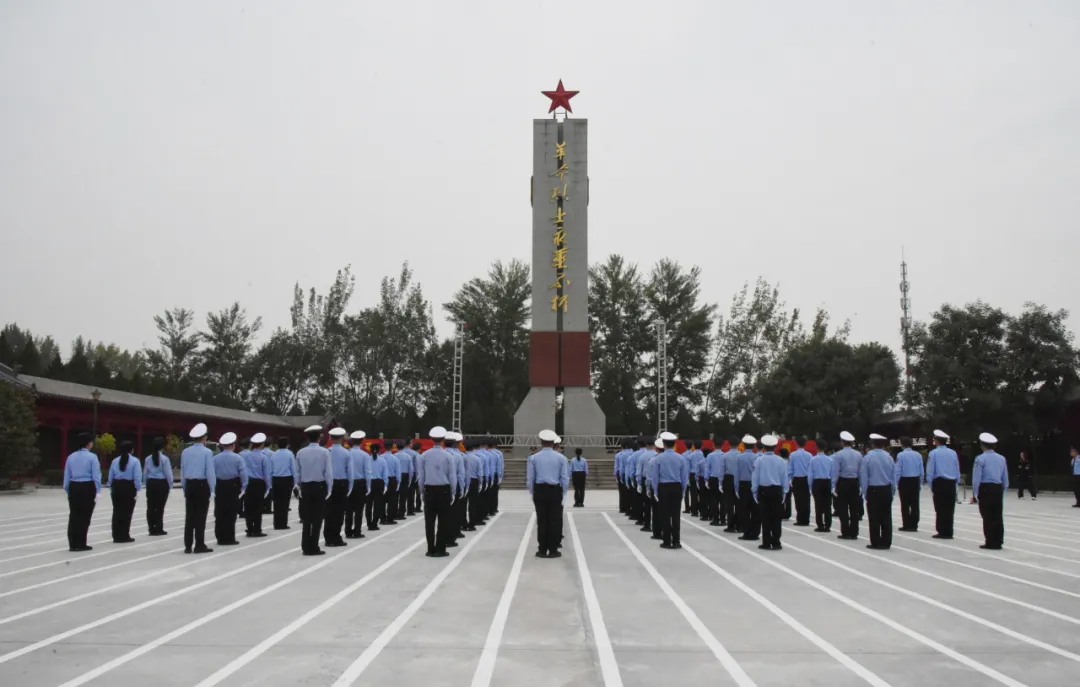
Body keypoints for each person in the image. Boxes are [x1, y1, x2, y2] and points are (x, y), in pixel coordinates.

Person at [527, 429, 570, 558]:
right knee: (554, 520)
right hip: (555, 490)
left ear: (541, 442)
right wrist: (564, 492)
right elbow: (565, 478)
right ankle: (553, 549)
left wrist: (532, 492)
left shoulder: (533, 458)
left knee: (542, 520)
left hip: (540, 489)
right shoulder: (561, 458)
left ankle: (542, 549)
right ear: (553, 442)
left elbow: (530, 478)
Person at [418, 427, 457, 557]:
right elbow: (452, 477)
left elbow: (421, 476)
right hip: (444, 490)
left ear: (431, 439)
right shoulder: (448, 456)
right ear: (443, 439)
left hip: (429, 489)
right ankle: (440, 549)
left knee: (429, 522)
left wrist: (421, 492)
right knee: (443, 521)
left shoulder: (424, 455)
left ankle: (430, 549)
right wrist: (453, 492)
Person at [296, 425, 333, 555]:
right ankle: (314, 546)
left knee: (306, 518)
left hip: (305, 486)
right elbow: (328, 472)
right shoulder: (324, 452)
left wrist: (298, 486)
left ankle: (305, 546)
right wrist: (330, 488)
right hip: (319, 486)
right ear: (319, 438)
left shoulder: (300, 452)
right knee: (317, 518)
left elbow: (297, 472)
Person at [180, 423, 216, 554]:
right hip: (202, 485)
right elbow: (210, 472)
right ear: (204, 437)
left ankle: (188, 545)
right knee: (201, 516)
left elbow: (183, 471)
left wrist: (185, 487)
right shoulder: (207, 452)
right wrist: (212, 489)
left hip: (189, 484)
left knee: (189, 516)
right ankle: (199, 544)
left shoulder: (185, 452)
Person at [63, 432, 101, 552]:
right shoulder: (92, 457)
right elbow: (96, 475)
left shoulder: (71, 457)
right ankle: (81, 543)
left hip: (74, 486)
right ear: (88, 444)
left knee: (74, 515)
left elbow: (67, 476)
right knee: (85, 516)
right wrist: (98, 490)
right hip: (87, 486)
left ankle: (72, 543)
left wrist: (68, 489)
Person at [650, 432, 688, 549]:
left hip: (663, 487)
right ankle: (676, 541)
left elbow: (655, 477)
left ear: (663, 444)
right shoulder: (681, 458)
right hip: (676, 487)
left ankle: (666, 541)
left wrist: (655, 491)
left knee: (665, 515)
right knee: (676, 515)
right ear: (674, 444)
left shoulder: (657, 459)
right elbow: (684, 477)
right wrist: (683, 490)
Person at [753, 435, 789, 551]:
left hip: (763, 490)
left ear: (763, 447)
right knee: (776, 518)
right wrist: (785, 492)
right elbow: (784, 478)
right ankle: (776, 542)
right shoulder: (781, 461)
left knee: (765, 517)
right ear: (775, 447)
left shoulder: (759, 460)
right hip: (777, 490)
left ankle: (766, 542)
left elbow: (755, 478)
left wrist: (754, 491)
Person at [972, 432, 1008, 550]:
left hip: (985, 488)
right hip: (997, 487)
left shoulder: (980, 458)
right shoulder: (1001, 458)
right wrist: (1002, 490)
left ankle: (990, 541)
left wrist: (976, 493)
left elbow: (976, 478)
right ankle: (998, 540)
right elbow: (1005, 478)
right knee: (997, 516)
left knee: (987, 516)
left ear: (982, 445)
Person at [861, 433, 895, 550]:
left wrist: (865, 492)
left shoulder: (868, 457)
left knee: (874, 517)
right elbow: (893, 477)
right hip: (886, 489)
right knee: (886, 517)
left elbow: (864, 477)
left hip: (873, 489)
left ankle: (875, 541)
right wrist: (892, 491)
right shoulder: (889, 457)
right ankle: (886, 542)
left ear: (872, 444)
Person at [213, 432, 248, 546]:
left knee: (220, 512)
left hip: (219, 485)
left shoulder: (215, 458)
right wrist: (244, 488)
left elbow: (211, 474)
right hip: (233, 485)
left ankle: (220, 537)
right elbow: (243, 475)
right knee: (231, 513)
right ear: (233, 445)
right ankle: (229, 538)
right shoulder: (238, 458)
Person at [925, 430, 960, 538]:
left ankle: (942, 530)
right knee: (950, 508)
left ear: (937, 440)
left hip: (939, 482)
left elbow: (930, 471)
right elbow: (957, 468)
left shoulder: (933, 453)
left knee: (940, 508)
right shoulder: (953, 453)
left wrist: (931, 485)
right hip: (951, 482)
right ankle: (949, 531)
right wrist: (956, 483)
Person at [108, 440, 142, 543]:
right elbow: (137, 477)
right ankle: (124, 535)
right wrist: (138, 489)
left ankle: (116, 535)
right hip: (128, 487)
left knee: (117, 511)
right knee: (127, 512)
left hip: (116, 485)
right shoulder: (135, 461)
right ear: (131, 450)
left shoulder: (115, 461)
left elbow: (110, 476)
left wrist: (111, 486)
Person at [831, 431, 863, 540]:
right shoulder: (858, 454)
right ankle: (854, 532)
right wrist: (861, 484)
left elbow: (835, 472)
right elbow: (861, 471)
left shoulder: (838, 455)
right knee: (854, 508)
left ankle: (845, 532)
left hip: (843, 482)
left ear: (842, 442)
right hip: (855, 481)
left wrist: (833, 485)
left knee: (843, 507)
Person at [325, 427, 353, 547]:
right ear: (342, 438)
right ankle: (336, 537)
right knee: (339, 512)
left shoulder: (326, 452)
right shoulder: (346, 453)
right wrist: (350, 487)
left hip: (328, 483)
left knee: (328, 511)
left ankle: (328, 538)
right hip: (341, 483)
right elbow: (350, 472)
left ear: (330, 438)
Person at [243, 432, 273, 538]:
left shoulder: (246, 456)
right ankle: (257, 529)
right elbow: (266, 474)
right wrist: (268, 486)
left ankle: (249, 529)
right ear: (262, 444)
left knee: (248, 506)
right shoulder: (263, 457)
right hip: (259, 483)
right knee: (258, 507)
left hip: (248, 482)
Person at [143, 436, 172, 536]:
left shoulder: (148, 459)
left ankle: (151, 528)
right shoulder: (164, 459)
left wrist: (146, 483)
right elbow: (168, 474)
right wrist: (169, 485)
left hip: (151, 482)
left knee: (150, 506)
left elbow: (145, 473)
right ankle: (159, 528)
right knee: (160, 507)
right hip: (161, 483)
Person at [893, 436, 924, 531]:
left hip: (904, 480)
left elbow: (898, 470)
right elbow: (921, 470)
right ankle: (914, 524)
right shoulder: (918, 455)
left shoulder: (900, 455)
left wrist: (896, 482)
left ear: (902, 444)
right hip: (915, 479)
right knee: (915, 504)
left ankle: (906, 524)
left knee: (905, 504)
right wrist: (920, 481)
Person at [346, 431, 370, 539]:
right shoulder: (365, 455)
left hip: (348, 483)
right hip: (360, 483)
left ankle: (348, 531)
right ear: (362, 441)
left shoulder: (347, 453)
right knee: (359, 509)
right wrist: (368, 486)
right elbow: (367, 472)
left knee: (349, 509)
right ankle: (357, 531)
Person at [270, 437, 297, 530]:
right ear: (287, 445)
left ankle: (276, 524)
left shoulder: (274, 454)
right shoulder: (290, 454)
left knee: (277, 502)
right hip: (286, 479)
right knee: (285, 502)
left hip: (275, 479)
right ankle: (283, 524)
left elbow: (271, 469)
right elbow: (293, 468)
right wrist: (295, 482)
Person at [737, 435, 760, 541]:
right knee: (756, 510)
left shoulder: (739, 457)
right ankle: (755, 532)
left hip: (743, 484)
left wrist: (736, 487)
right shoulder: (757, 457)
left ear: (744, 445)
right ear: (754, 446)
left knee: (744, 510)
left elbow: (737, 474)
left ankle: (746, 532)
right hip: (755, 484)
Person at [788, 437, 813, 527]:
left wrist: (789, 479)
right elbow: (811, 468)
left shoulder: (793, 455)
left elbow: (790, 469)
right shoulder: (809, 455)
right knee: (806, 499)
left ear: (796, 444)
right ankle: (806, 519)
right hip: (806, 478)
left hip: (797, 479)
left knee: (798, 499)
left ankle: (800, 519)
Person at [810, 442, 833, 532]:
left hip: (817, 482)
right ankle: (828, 525)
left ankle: (820, 525)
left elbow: (810, 474)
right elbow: (832, 473)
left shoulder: (813, 459)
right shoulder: (830, 460)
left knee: (818, 504)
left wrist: (810, 486)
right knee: (828, 504)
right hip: (827, 481)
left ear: (817, 448)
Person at [366, 442, 388, 531]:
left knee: (368, 505)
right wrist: (385, 485)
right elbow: (385, 475)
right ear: (379, 450)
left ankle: (369, 523)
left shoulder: (367, 459)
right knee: (377, 504)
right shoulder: (383, 460)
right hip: (379, 483)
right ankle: (374, 523)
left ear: (370, 450)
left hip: (369, 482)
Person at [463, 439, 483, 530]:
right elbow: (480, 473)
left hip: (463, 481)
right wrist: (480, 483)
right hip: (474, 481)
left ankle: (463, 523)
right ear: (473, 448)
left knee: (462, 504)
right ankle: (472, 523)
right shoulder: (477, 458)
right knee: (473, 503)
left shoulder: (462, 457)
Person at [723, 436, 741, 532]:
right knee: (739, 503)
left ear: (729, 444)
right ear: (739, 444)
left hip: (728, 478)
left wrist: (721, 482)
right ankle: (739, 525)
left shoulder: (725, 455)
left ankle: (730, 525)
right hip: (739, 478)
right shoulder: (741, 455)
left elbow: (722, 470)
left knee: (729, 504)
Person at [382, 441, 400, 526]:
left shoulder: (380, 457)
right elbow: (398, 472)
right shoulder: (395, 458)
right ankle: (390, 518)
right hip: (392, 479)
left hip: (382, 479)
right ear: (392, 447)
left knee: (382, 500)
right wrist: (398, 482)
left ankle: (382, 518)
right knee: (391, 500)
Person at [396, 440, 415, 519]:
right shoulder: (408, 456)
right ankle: (401, 513)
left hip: (396, 476)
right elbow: (411, 470)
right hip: (405, 476)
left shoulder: (395, 456)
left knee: (395, 496)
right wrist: (410, 480)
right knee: (403, 496)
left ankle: (394, 512)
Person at [684, 439, 699, 516]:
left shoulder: (684, 455)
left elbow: (686, 467)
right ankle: (696, 507)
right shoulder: (697, 454)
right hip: (698, 474)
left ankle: (687, 508)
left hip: (690, 474)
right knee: (696, 493)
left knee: (686, 492)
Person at [696, 444, 710, 522]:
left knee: (703, 498)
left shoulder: (700, 462)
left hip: (702, 479)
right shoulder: (711, 461)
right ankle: (711, 514)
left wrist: (697, 482)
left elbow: (697, 474)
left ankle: (704, 515)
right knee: (711, 498)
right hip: (710, 479)